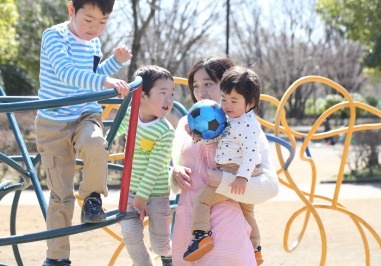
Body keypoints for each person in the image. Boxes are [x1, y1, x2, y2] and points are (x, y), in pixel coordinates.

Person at [35, 0, 132, 265]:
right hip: (53, 121)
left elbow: (91, 74)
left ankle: (92, 198)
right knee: (60, 196)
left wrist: (114, 63)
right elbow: (68, 73)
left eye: (102, 22)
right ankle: (57, 258)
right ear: (71, 10)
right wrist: (104, 80)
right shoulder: (54, 36)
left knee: (95, 143)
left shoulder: (94, 42)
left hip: (84, 113)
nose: (94, 28)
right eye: (88, 20)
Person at [170, 56, 279, 266]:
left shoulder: (242, 125)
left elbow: (270, 187)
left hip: (226, 230)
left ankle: (255, 247)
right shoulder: (186, 123)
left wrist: (224, 181)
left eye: (208, 84)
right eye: (195, 85)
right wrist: (174, 174)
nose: (201, 92)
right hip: (188, 227)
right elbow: (175, 169)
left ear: (227, 84)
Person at [114, 65, 175, 266]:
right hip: (131, 191)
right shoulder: (131, 115)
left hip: (156, 194)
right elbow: (115, 131)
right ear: (143, 96)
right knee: (130, 234)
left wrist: (142, 199)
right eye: (163, 93)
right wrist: (101, 146)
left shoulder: (165, 131)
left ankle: (169, 256)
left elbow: (154, 168)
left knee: (160, 244)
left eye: (172, 94)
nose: (169, 99)